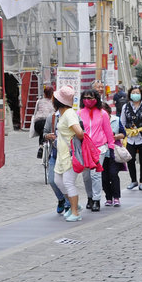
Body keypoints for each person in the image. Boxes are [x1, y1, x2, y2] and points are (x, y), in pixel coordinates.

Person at [52, 85, 85, 222]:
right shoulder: (63, 113)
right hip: (62, 154)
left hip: (70, 155)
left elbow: (80, 133)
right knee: (58, 181)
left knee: (68, 182)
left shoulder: (70, 114)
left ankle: (76, 212)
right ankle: (73, 205)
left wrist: (72, 140)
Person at [78, 88, 111, 212]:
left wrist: (111, 146)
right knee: (86, 176)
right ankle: (90, 197)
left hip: (99, 147)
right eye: (85, 98)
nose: (88, 100)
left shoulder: (103, 113)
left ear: (96, 99)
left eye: (91, 98)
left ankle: (97, 199)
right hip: (84, 148)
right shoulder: (79, 113)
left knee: (95, 175)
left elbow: (107, 130)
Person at [122, 85, 142, 191]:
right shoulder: (125, 106)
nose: (135, 95)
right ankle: (133, 180)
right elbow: (122, 122)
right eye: (133, 92)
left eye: (137, 93)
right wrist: (123, 135)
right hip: (130, 137)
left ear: (141, 94)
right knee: (130, 159)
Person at [104, 96, 128, 207]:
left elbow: (124, 133)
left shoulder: (116, 120)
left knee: (113, 174)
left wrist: (115, 136)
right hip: (102, 153)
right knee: (104, 177)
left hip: (114, 152)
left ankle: (116, 197)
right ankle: (108, 198)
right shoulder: (96, 122)